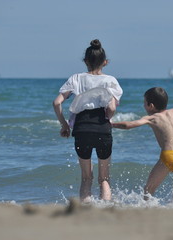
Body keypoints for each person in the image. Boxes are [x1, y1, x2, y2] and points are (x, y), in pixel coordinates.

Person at [53, 39, 123, 203]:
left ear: (85, 61)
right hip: (102, 127)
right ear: (105, 62)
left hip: (81, 128)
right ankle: (105, 207)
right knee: (104, 178)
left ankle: (85, 210)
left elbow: (56, 103)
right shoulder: (110, 80)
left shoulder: (76, 78)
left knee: (86, 177)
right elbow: (111, 107)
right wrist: (107, 119)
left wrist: (64, 125)